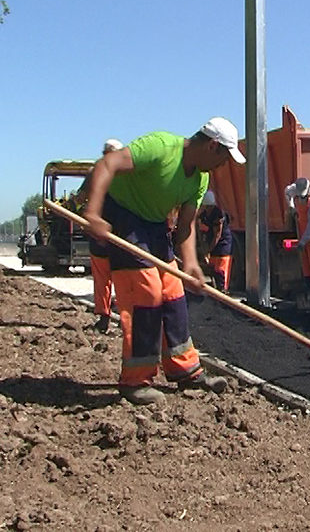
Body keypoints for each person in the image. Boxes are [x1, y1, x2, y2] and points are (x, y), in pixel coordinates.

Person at [83, 117, 246, 405]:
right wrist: (94, 213)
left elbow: (185, 227)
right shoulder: (161, 147)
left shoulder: (200, 178)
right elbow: (105, 165)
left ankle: (186, 371)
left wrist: (192, 263)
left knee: (173, 293)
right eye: (224, 158)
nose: (224, 166)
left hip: (155, 225)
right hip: (122, 215)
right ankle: (135, 381)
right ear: (212, 145)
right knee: (146, 295)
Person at [89, 139, 123, 333]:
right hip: (104, 237)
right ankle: (104, 316)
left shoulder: (99, 173)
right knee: (103, 280)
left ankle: (114, 316)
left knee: (123, 280)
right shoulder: (124, 177)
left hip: (120, 238)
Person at [284, 177, 310, 309]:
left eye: (303, 197)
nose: (301, 199)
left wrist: (303, 241)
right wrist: (291, 207)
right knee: (306, 264)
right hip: (301, 227)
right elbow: (287, 193)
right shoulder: (293, 189)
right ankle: (308, 292)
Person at [197, 190, 233, 293]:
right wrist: (204, 248)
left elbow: (217, 234)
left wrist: (209, 249)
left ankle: (223, 292)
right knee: (214, 270)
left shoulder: (218, 214)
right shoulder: (203, 215)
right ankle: (216, 290)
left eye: (208, 206)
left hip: (223, 244)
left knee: (221, 269)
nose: (206, 209)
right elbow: (200, 231)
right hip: (212, 245)